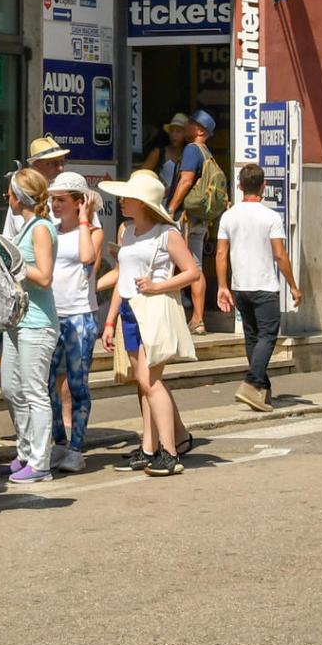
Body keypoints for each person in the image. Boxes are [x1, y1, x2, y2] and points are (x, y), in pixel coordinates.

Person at [100, 168, 200, 477]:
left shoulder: (166, 234)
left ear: (142, 203)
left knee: (150, 381)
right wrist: (110, 319)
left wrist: (158, 286)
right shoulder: (126, 231)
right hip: (131, 309)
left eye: (127, 197)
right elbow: (123, 277)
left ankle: (169, 451)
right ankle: (149, 447)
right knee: (143, 383)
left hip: (154, 309)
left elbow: (192, 272)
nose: (121, 202)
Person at [215, 162, 301, 412]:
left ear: (240, 186)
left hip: (240, 286)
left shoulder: (228, 216)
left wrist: (222, 285)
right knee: (267, 336)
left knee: (252, 337)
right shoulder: (271, 216)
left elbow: (221, 253)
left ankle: (261, 391)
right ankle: (251, 383)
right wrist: (294, 286)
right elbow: (280, 255)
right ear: (264, 186)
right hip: (264, 285)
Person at [0, 168, 61, 485]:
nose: (5, 198)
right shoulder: (24, 228)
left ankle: (40, 462)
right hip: (17, 319)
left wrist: (15, 264)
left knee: (35, 392)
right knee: (10, 387)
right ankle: (25, 452)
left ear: (20, 196)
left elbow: (45, 277)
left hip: (37, 321)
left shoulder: (40, 228)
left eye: (9, 193)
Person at [46, 169, 103, 472]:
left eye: (61, 199)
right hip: (53, 314)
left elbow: (86, 258)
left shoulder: (92, 231)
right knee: (48, 384)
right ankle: (58, 442)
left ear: (79, 202)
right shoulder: (51, 230)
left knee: (78, 385)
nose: (55, 205)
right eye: (53, 199)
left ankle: (77, 448)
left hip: (80, 313)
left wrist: (85, 218)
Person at [161, 110, 217, 332]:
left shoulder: (192, 150)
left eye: (191, 123)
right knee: (195, 267)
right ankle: (198, 319)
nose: (186, 126)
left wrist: (171, 208)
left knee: (172, 266)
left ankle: (181, 318)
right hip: (199, 219)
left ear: (200, 130)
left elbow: (185, 181)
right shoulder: (207, 153)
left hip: (184, 217)